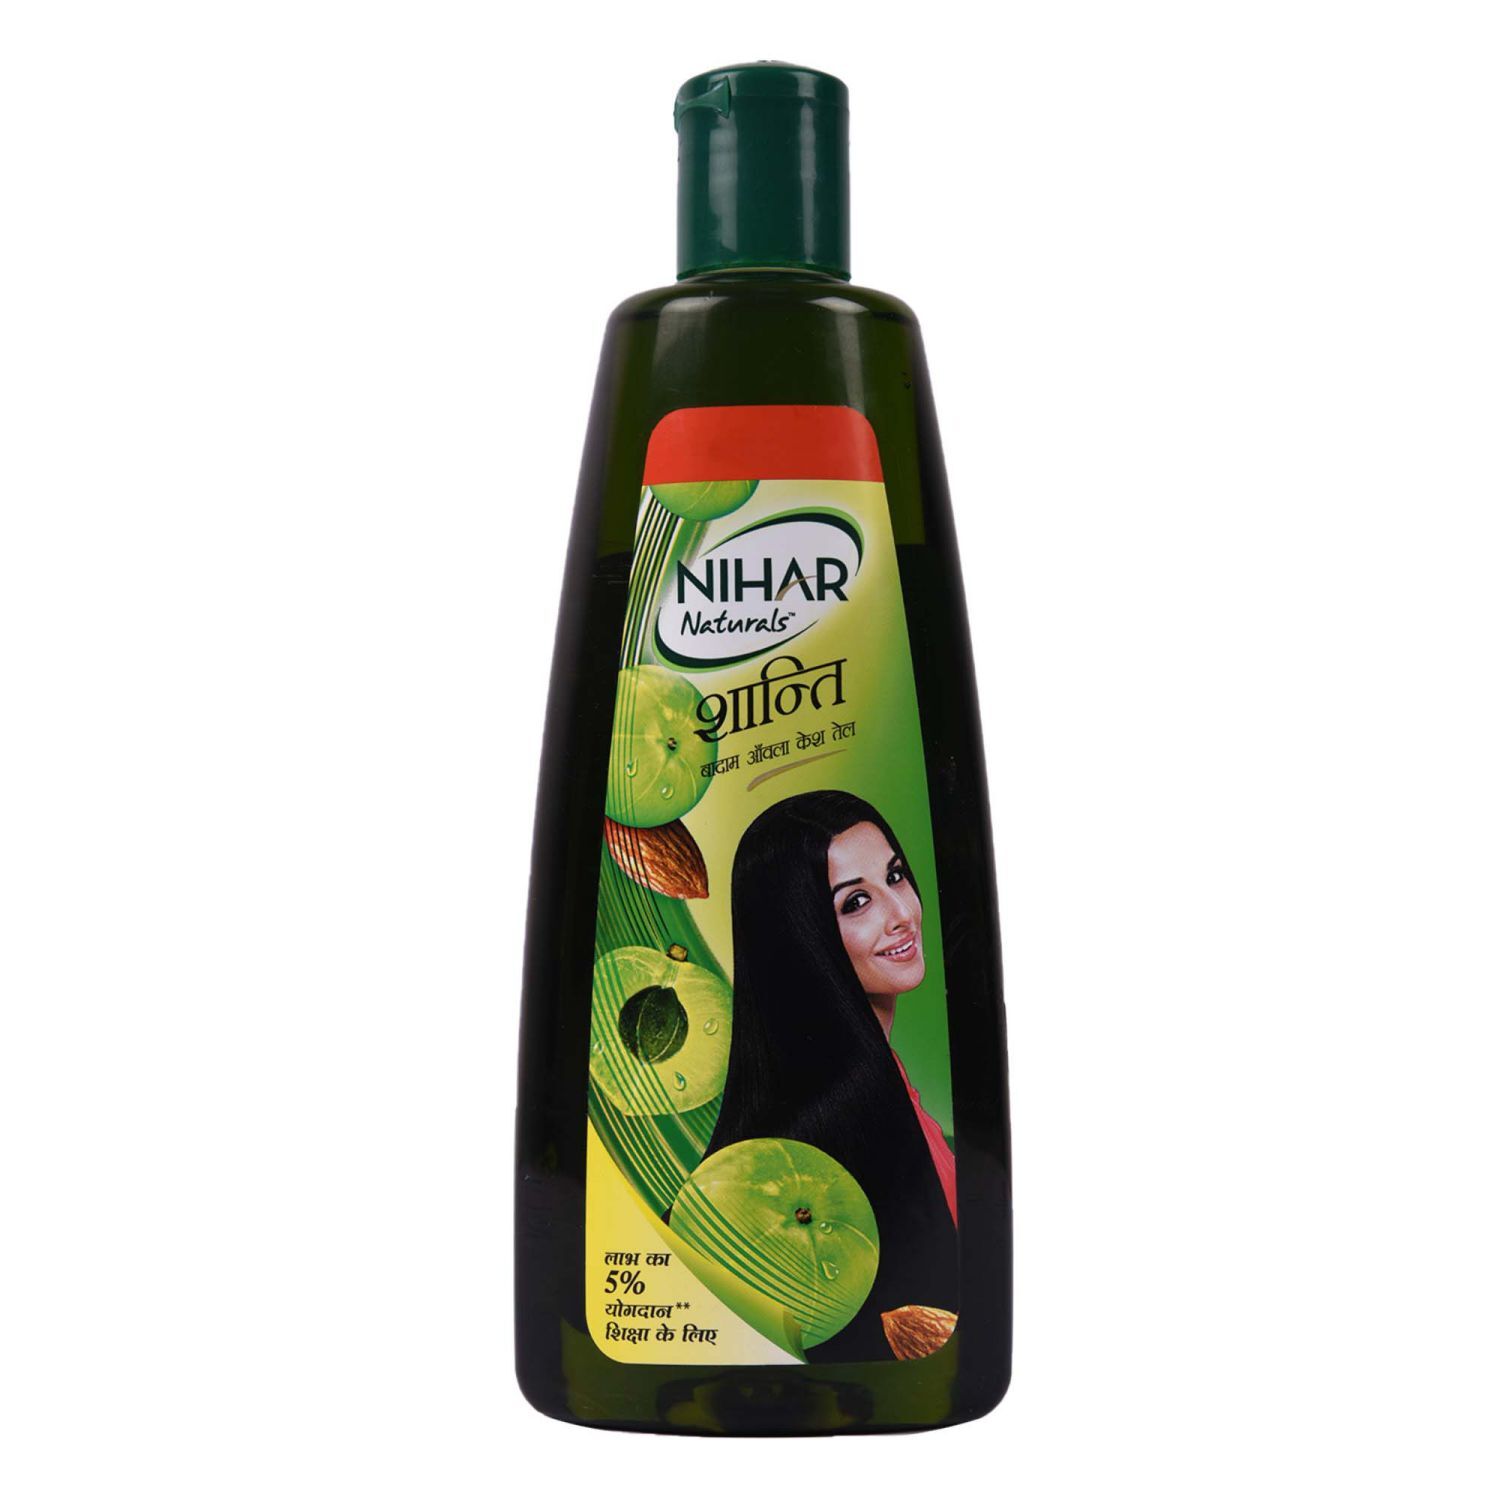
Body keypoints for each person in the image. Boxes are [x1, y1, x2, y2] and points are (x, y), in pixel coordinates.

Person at [702, 789, 958, 1362]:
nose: (901, 914)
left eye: (895, 876)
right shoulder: (825, 1135)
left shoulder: (887, 1084)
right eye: (856, 902)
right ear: (799, 932)